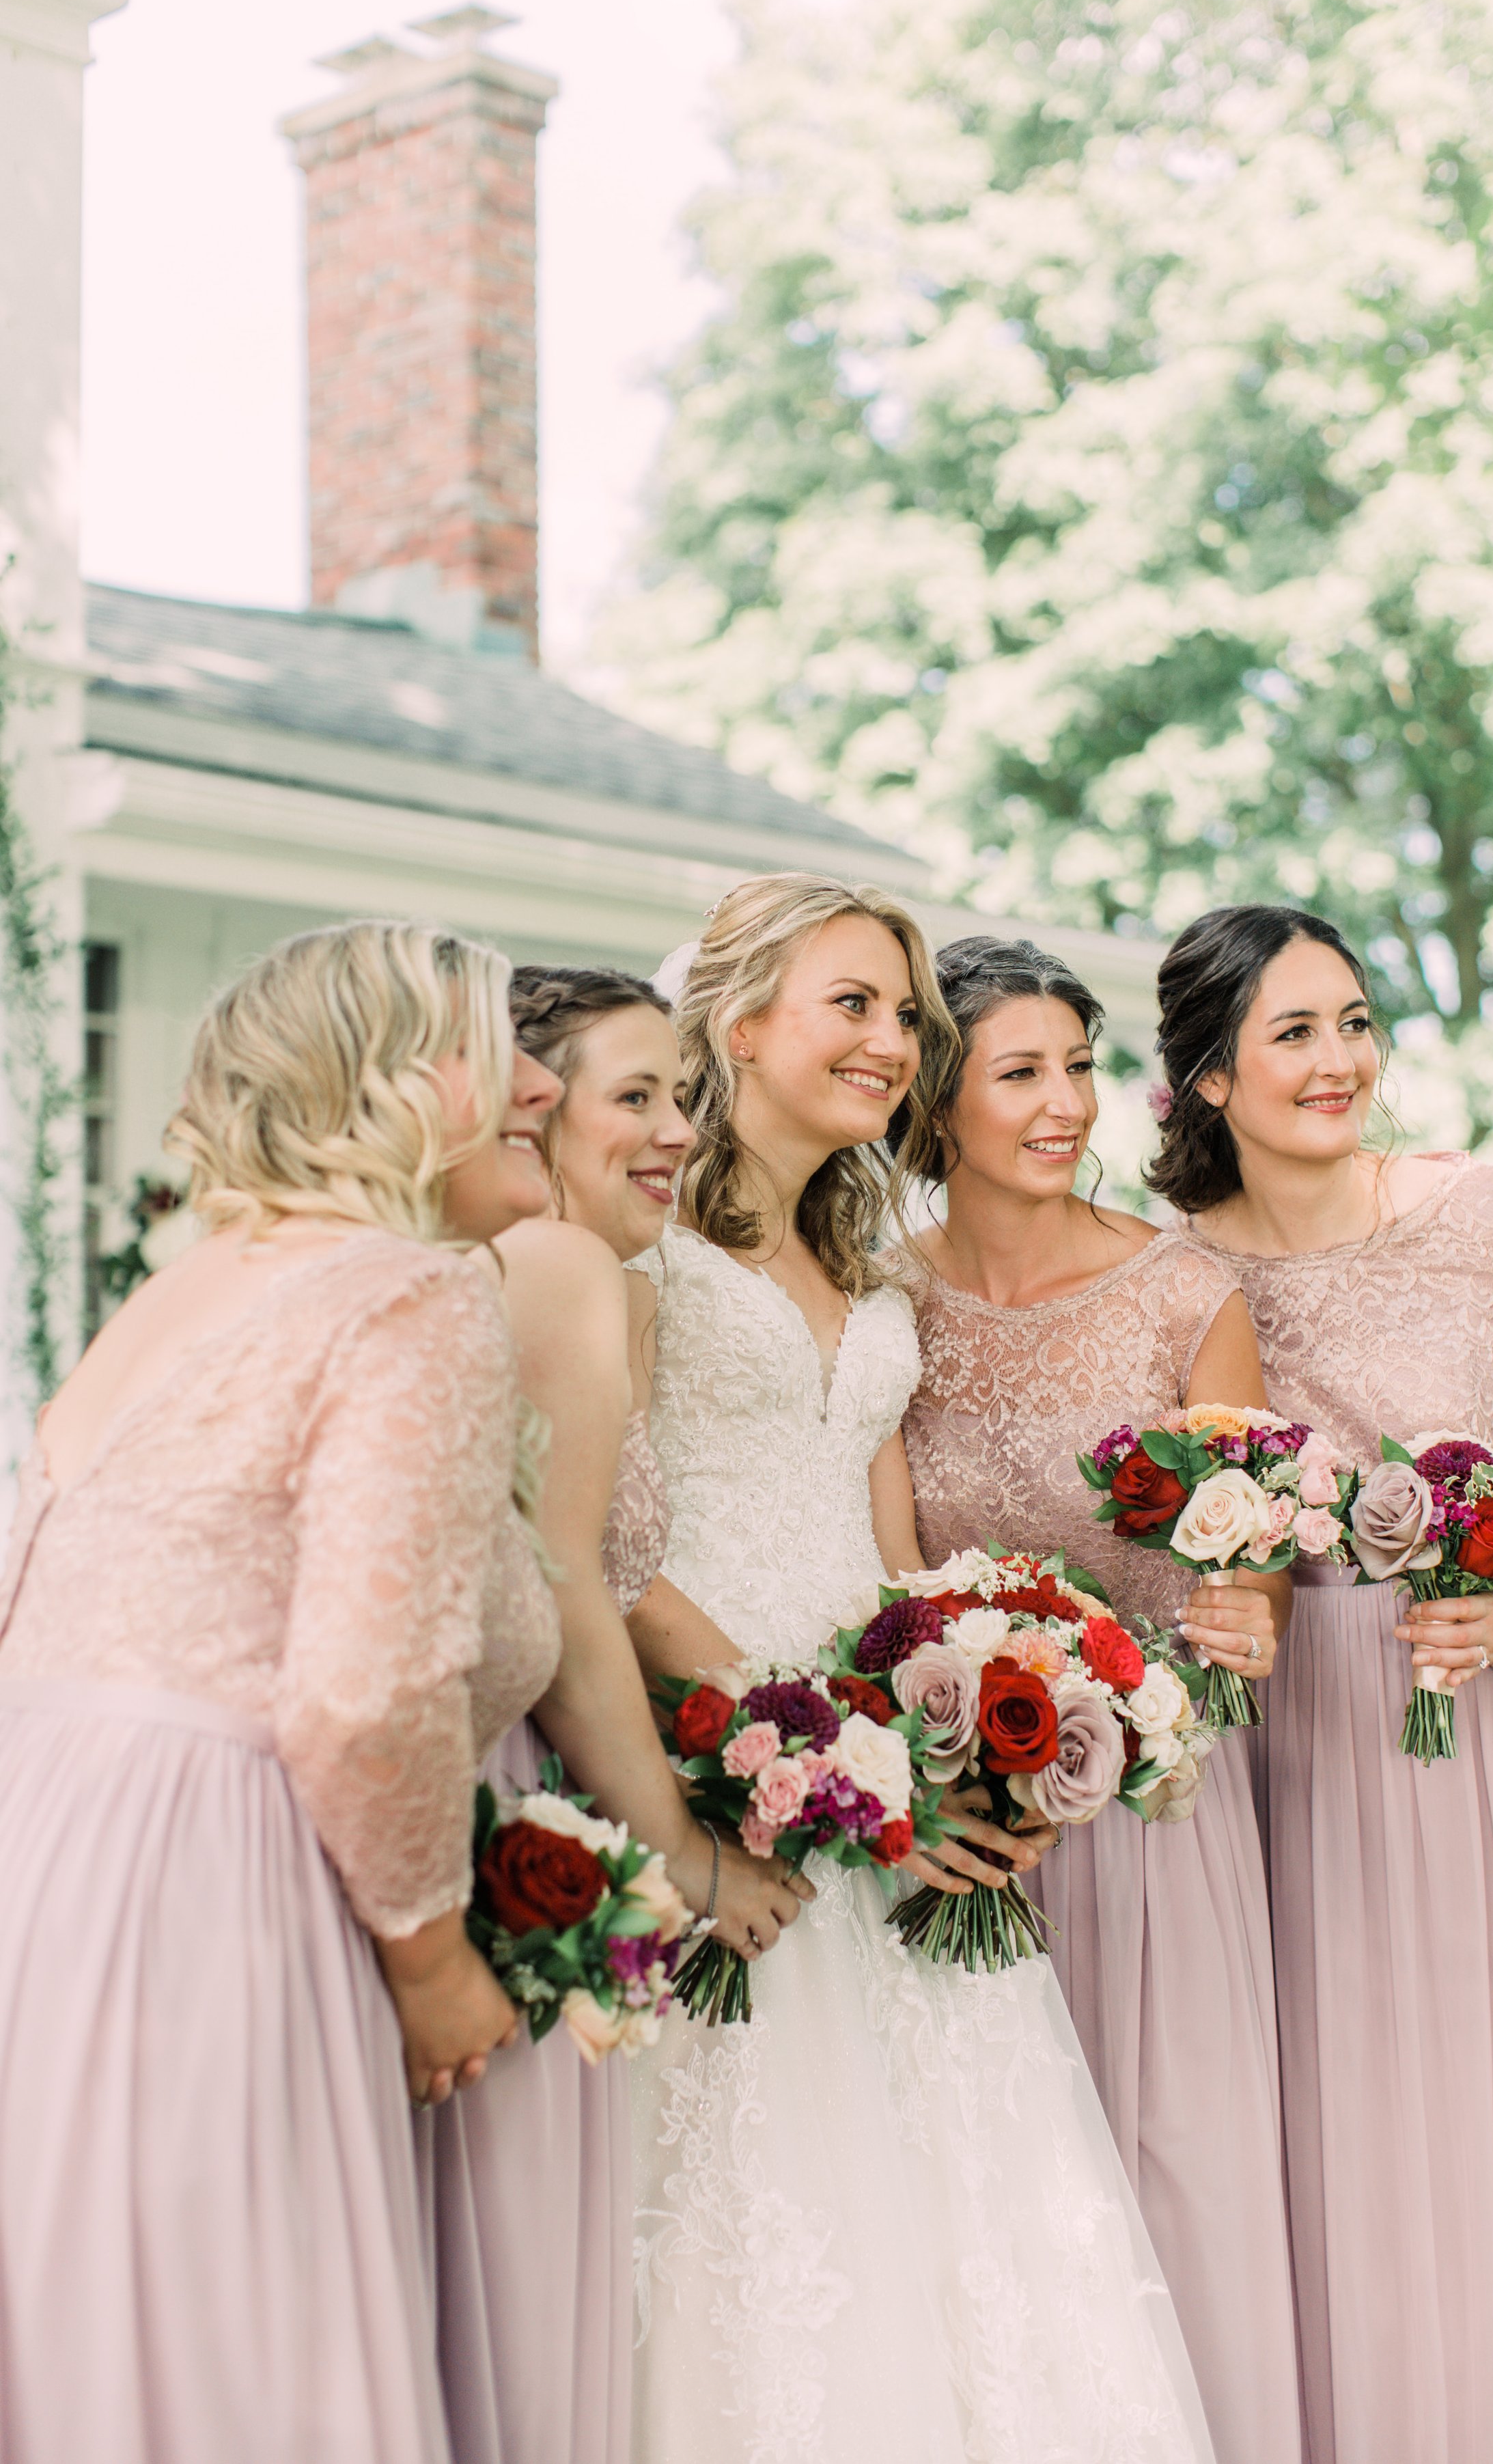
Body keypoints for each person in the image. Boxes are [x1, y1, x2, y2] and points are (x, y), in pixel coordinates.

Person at [622, 872, 1215, 2464]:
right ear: (738, 1023)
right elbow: (605, 1545)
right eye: (854, 1004)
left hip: (880, 1780)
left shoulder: (864, 1260)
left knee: (966, 2227)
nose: (893, 1039)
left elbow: (892, 1564)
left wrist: (938, 1739)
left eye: (904, 1012)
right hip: (717, 1755)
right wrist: (808, 1755)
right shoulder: (639, 1235)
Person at [0, 920, 565, 2464]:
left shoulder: (175, 1301)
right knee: (237, 2356)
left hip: (44, 1856)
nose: (537, 1082)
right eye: (495, 1043)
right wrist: (435, 1958)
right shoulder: (404, 1295)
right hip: (214, 1875)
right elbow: (363, 1695)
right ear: (383, 1082)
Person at [1156, 901, 1493, 2464]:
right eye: (1291, 1033)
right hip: (1306, 1741)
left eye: (1352, 1022)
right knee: (1357, 2131)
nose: (1338, 1062)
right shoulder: (1176, 1272)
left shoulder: (1484, 1212)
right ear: (1204, 1078)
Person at [893, 932, 1302, 2464]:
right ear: (937, 1102)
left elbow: (1243, 1562)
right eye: (1021, 1073)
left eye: (1078, 1064)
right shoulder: (878, 1304)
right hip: (953, 1822)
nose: (1065, 1102)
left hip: (1148, 1816)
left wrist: (1237, 1611)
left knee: (1167, 2179)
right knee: (975, 2214)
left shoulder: (1183, 1292)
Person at [421, 966, 803, 2464]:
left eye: (683, 1099)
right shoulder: (558, 1267)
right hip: (530, 1792)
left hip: (535, 1767)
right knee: (523, 2260)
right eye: (630, 1096)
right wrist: (688, 1864)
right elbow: (573, 1592)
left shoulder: (561, 1269)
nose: (674, 1132)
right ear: (532, 1102)